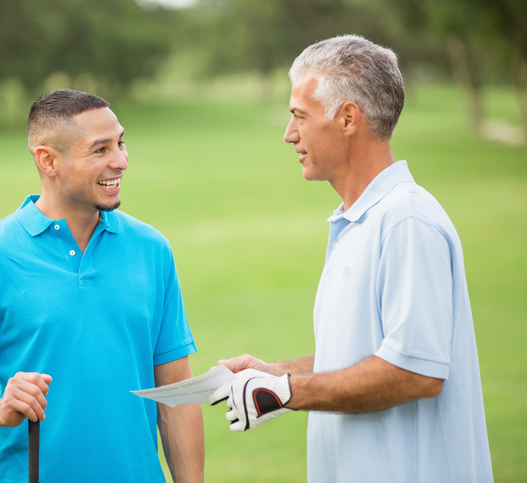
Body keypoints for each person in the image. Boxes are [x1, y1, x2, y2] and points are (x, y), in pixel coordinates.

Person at [209, 35, 493, 482]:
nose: (288, 134)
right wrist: (276, 373)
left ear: (347, 118)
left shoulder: (406, 220)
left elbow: (415, 371)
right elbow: (368, 354)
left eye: (299, 116)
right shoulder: (357, 223)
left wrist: (287, 392)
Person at [0, 89, 204, 482]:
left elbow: (176, 394)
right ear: (48, 160)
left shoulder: (151, 250)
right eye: (100, 150)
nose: (121, 160)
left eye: (120, 142)